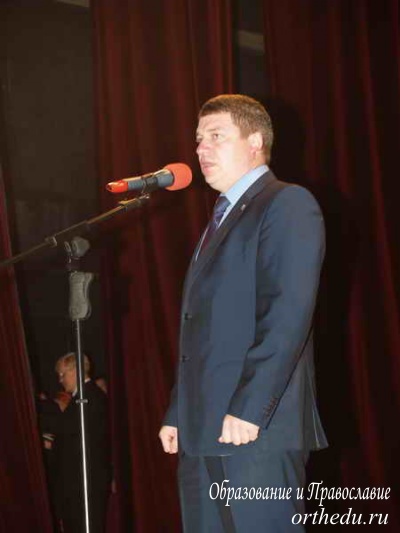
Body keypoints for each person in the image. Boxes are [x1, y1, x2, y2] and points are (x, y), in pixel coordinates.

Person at [159, 94, 328, 532]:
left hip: (255, 430)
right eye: (199, 139)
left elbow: (288, 313)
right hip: (203, 428)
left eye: (216, 136)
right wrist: (179, 410)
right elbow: (201, 332)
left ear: (255, 142)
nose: (201, 149)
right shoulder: (218, 220)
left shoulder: (287, 203)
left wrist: (251, 408)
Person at [42, 353, 111, 533]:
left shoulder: (88, 397)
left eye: (62, 374)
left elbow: (71, 432)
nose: (60, 380)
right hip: (80, 481)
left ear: (75, 371)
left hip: (83, 482)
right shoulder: (85, 396)